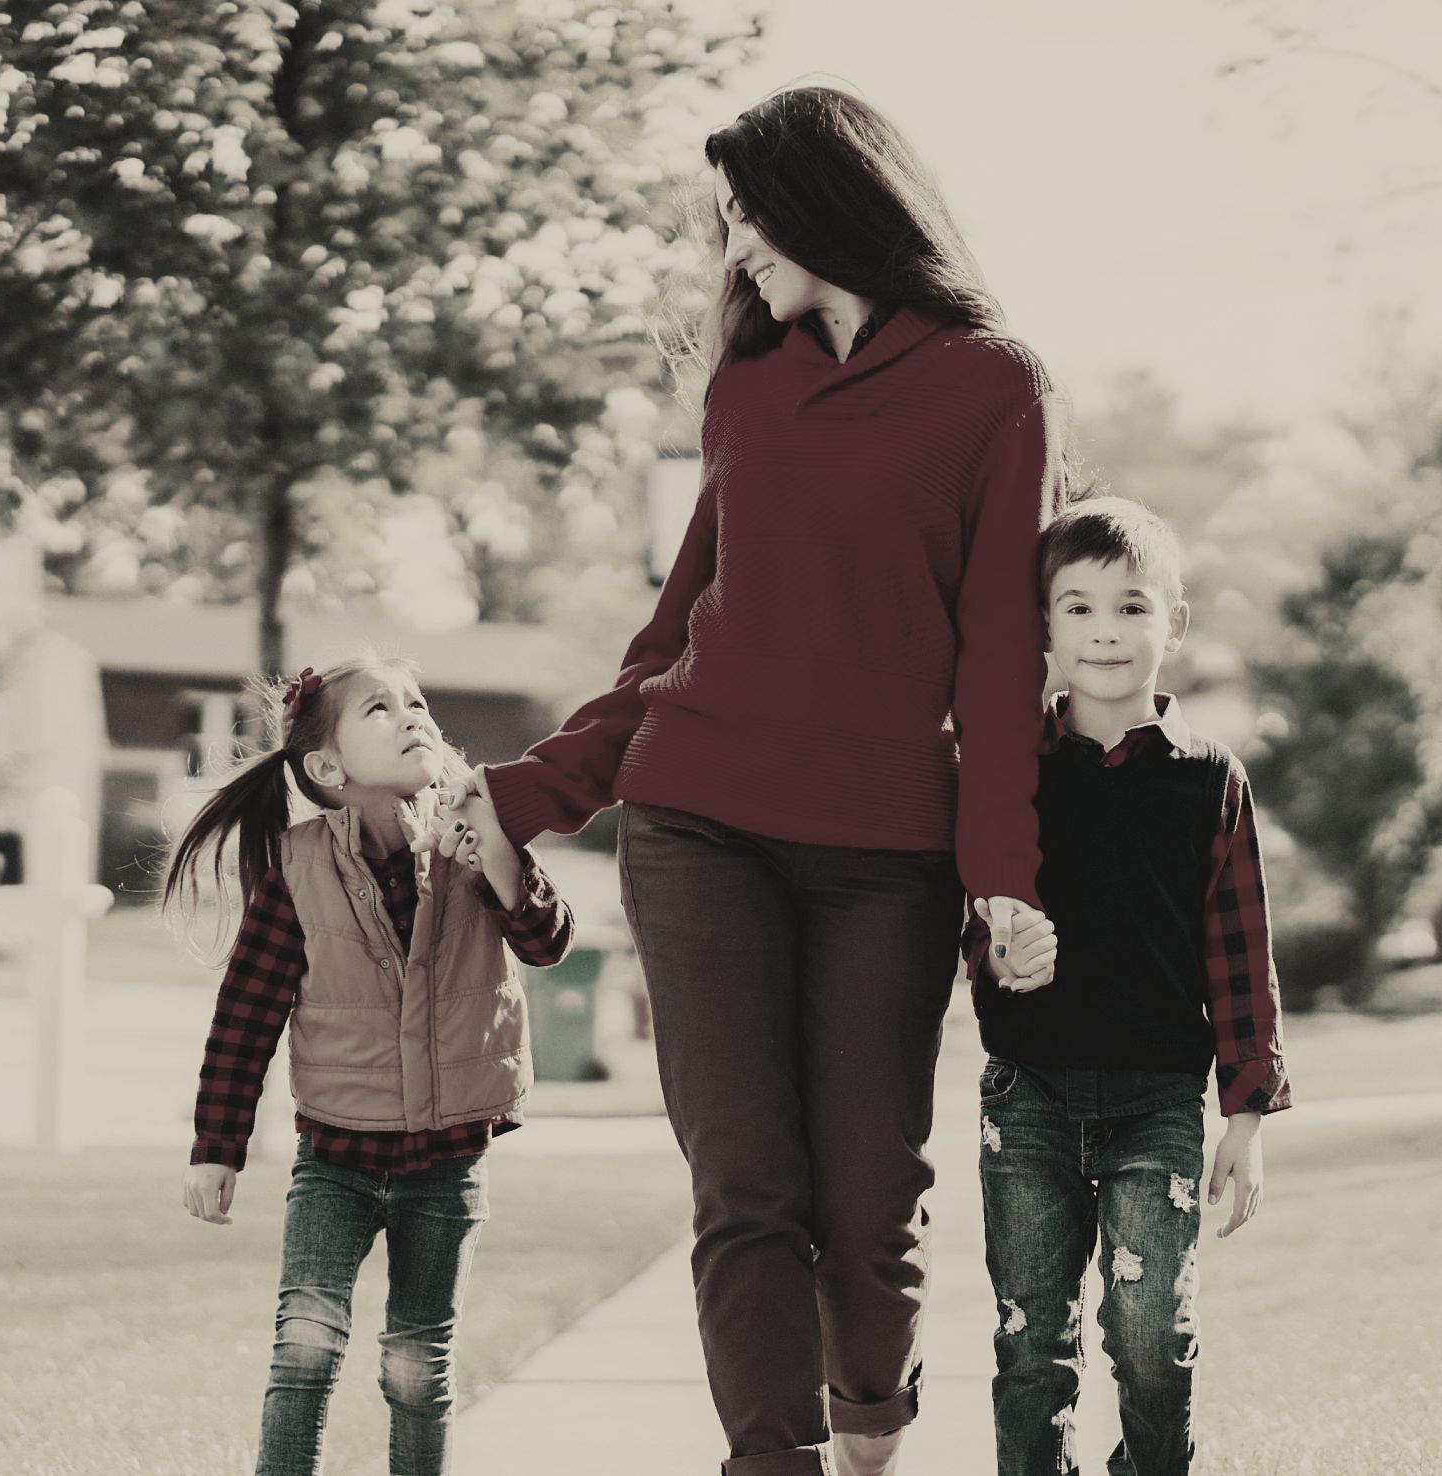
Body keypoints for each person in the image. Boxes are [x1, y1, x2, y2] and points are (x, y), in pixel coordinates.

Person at [450, 85, 1066, 1476]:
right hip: (697, 824)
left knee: (865, 1200)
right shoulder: (749, 382)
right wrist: (537, 790)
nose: (731, 249)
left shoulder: (990, 382)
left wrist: (1001, 876)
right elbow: (676, 631)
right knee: (744, 1190)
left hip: (883, 853)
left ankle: (869, 1416)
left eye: (746, 216)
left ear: (828, 203)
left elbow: (997, 655)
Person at [168, 657, 573, 1476]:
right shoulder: (297, 866)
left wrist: (496, 854)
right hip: (336, 1162)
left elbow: (547, 942)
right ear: (328, 768)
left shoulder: (476, 842)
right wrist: (217, 1145)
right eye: (380, 709)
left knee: (416, 1369)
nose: (412, 716)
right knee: (305, 1349)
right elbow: (246, 1015)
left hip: (447, 1164)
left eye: (418, 701)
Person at [965, 497, 1293, 1476]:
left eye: (1131, 606)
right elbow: (965, 920)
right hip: (1026, 1092)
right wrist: (992, 949)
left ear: (1173, 624)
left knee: (1153, 1337)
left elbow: (1240, 951)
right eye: (1077, 608)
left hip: (1155, 1099)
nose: (1105, 630)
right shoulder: (1004, 772)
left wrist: (1247, 1112)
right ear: (1042, 629)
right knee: (1031, 1342)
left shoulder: (1207, 779)